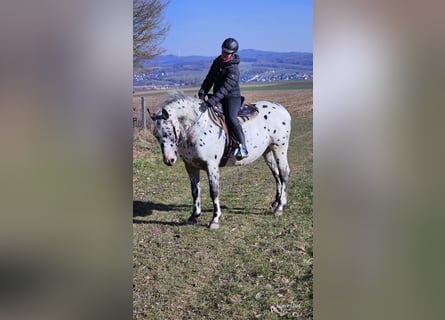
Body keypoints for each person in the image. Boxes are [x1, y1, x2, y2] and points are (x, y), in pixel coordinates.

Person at [198, 37, 248, 160]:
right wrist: (202, 91)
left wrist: (212, 101)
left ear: (233, 54)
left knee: (231, 118)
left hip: (232, 98)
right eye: (223, 51)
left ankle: (242, 146)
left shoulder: (233, 69)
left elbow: (225, 88)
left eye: (228, 53)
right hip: (217, 97)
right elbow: (209, 78)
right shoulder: (217, 62)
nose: (224, 54)